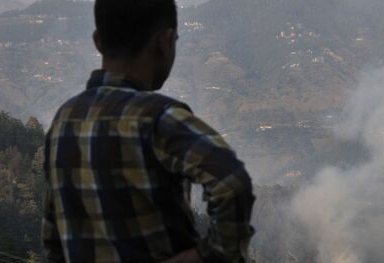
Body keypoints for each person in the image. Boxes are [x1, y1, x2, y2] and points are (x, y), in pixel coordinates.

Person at [41, 0, 255, 262]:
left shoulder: (63, 121)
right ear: (164, 42)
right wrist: (212, 255)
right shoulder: (158, 118)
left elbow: (54, 237)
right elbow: (231, 182)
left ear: (98, 41)